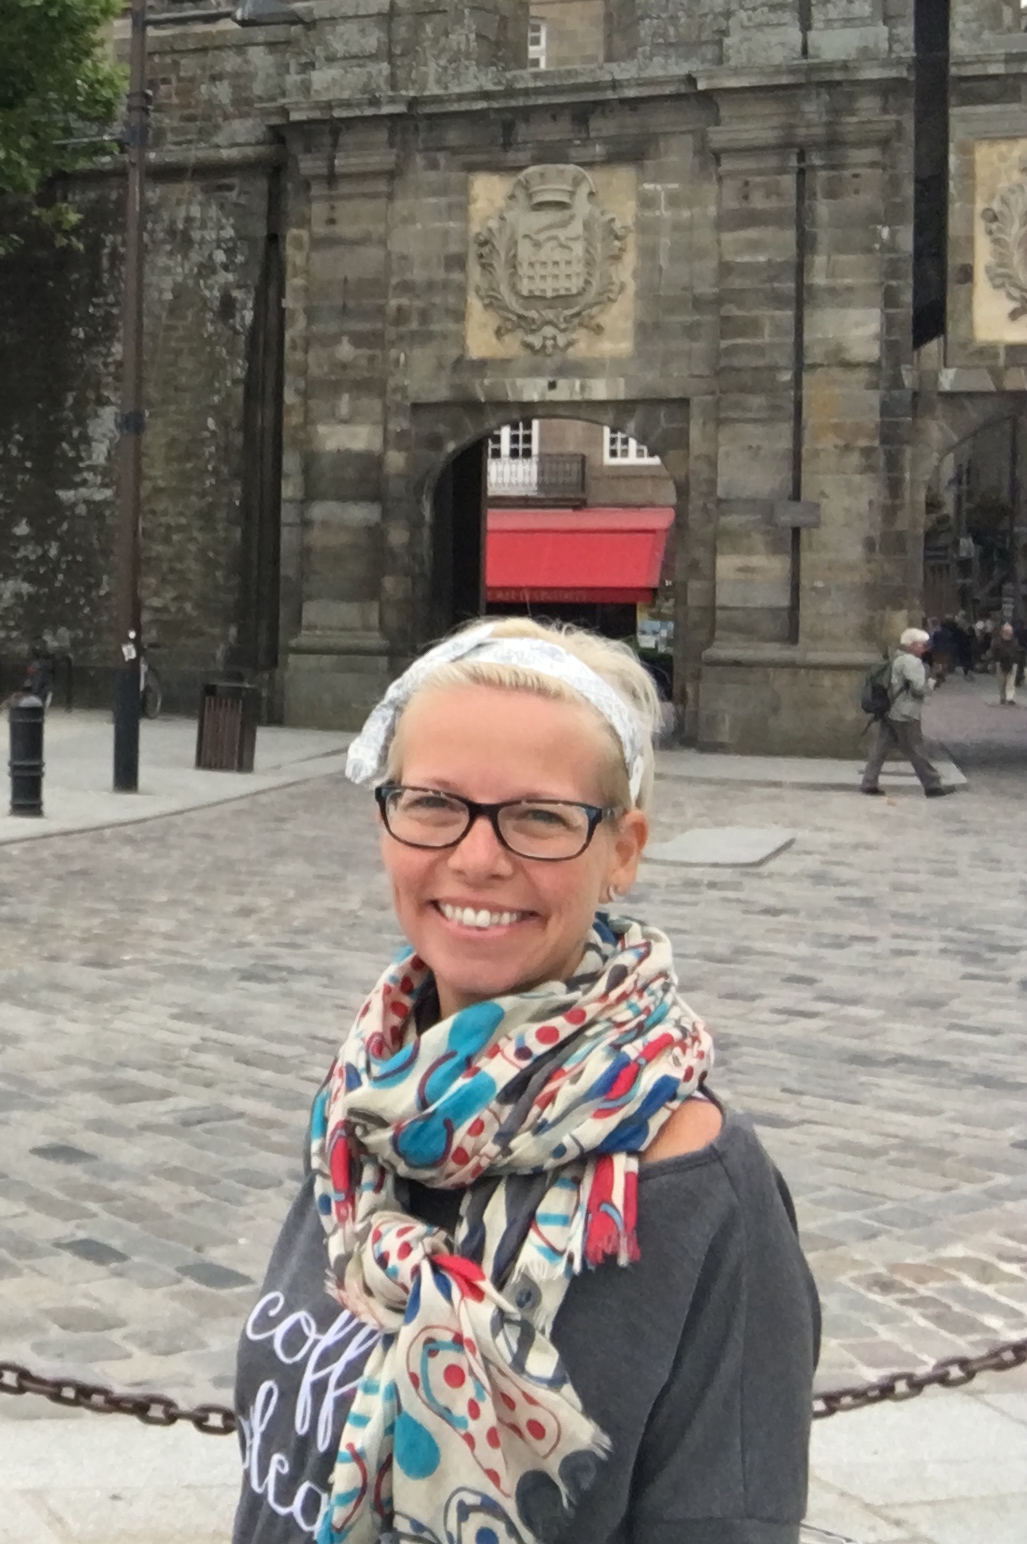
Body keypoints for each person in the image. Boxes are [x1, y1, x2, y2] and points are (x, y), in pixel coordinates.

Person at [231, 617, 819, 1544]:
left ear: (622, 850)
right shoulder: (365, 1106)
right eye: (433, 802)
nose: (477, 858)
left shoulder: (701, 1189)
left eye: (540, 817)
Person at [862, 626, 951, 797]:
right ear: (912, 645)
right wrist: (933, 681)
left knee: (880, 748)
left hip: (890, 709)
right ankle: (932, 784)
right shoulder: (911, 662)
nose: (925, 648)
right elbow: (919, 689)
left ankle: (869, 781)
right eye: (922, 645)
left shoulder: (896, 657)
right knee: (915, 748)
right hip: (906, 712)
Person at [989, 620, 1021, 707]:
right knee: (1001, 681)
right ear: (1002, 632)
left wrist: (1017, 660)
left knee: (1011, 681)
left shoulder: (1015, 641)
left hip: (1012, 662)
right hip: (999, 662)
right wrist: (993, 661)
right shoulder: (997, 642)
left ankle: (1010, 698)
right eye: (1006, 631)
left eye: (1010, 631)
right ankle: (1002, 697)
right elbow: (993, 652)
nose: (1008, 633)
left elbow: (1017, 651)